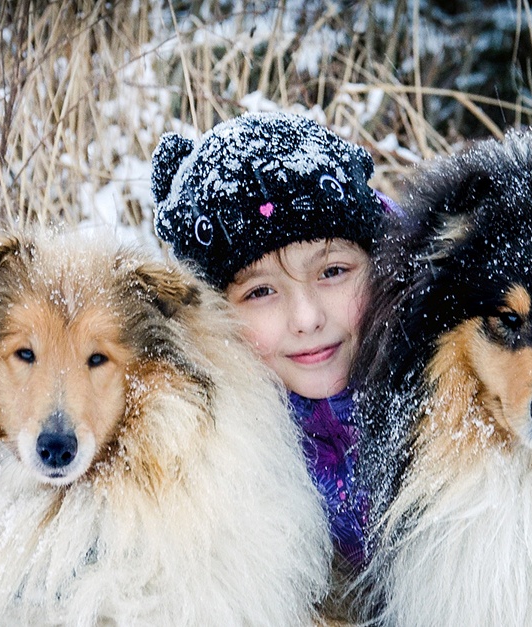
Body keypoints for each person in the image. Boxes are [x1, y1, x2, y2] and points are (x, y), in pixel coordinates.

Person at [151, 112, 394, 615]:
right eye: (261, 291)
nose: (306, 319)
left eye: (333, 271)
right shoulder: (209, 452)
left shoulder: (453, 381)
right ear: (212, 313)